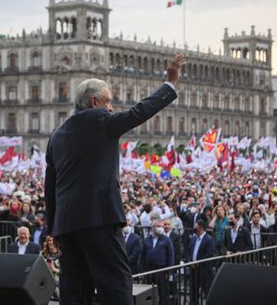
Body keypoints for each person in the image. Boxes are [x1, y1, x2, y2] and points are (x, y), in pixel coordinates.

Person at [44, 54, 184, 304]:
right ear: (94, 101)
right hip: (99, 220)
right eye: (108, 102)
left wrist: (53, 228)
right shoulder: (99, 120)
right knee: (116, 286)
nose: (111, 108)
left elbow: (50, 187)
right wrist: (169, 85)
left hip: (66, 226)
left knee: (74, 290)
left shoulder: (57, 135)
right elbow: (138, 113)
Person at [187, 220, 215, 305]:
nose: (194, 227)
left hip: (204, 270)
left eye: (195, 225)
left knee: (207, 291)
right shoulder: (193, 238)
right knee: (193, 291)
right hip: (193, 269)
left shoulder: (209, 239)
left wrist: (199, 262)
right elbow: (188, 251)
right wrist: (189, 261)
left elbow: (209, 253)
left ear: (200, 227)